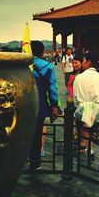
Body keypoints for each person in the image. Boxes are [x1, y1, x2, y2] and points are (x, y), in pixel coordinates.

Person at [73, 51, 99, 153]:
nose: (82, 63)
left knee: (84, 129)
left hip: (82, 109)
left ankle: (83, 147)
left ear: (88, 62)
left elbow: (75, 97)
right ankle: (90, 147)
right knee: (92, 130)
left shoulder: (79, 78)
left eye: (84, 61)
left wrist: (79, 106)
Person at [29, 41, 61, 171]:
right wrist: (54, 107)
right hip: (39, 105)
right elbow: (52, 89)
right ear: (42, 52)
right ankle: (35, 162)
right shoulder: (47, 66)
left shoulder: (21, 65)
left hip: (22, 106)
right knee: (36, 135)